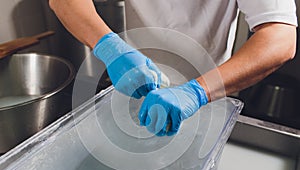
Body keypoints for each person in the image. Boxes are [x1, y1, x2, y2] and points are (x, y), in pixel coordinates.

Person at [49, 0, 297, 136]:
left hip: (209, 95)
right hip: (132, 87)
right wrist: (111, 48)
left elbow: (280, 37)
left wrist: (196, 92)